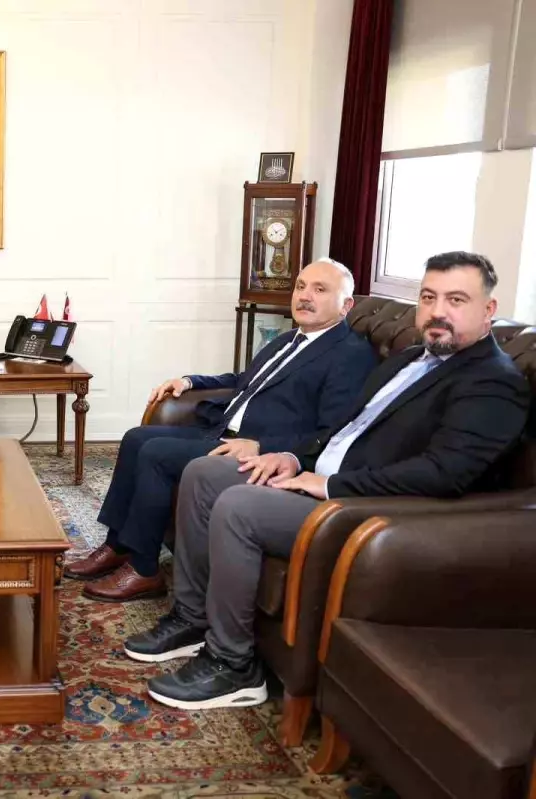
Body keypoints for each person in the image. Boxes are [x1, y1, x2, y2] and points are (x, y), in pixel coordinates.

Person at [127, 251, 531, 710]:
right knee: (205, 472)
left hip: (369, 510)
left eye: (456, 300)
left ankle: (232, 665)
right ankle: (192, 618)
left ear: (488, 310)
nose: (438, 311)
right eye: (428, 297)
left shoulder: (493, 382)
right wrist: (290, 457)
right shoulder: (409, 359)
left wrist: (329, 486)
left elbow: (444, 474)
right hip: (321, 476)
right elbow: (341, 430)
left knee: (240, 506)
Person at [69, 259, 377, 603]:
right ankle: (118, 545)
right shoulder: (289, 340)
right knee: (136, 438)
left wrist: (262, 445)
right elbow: (243, 381)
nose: (305, 296)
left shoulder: (350, 355)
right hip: (221, 432)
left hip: (258, 452)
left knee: (156, 454)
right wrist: (190, 381)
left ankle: (144, 570)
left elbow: (332, 433)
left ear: (346, 305)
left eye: (320, 290)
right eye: (301, 286)